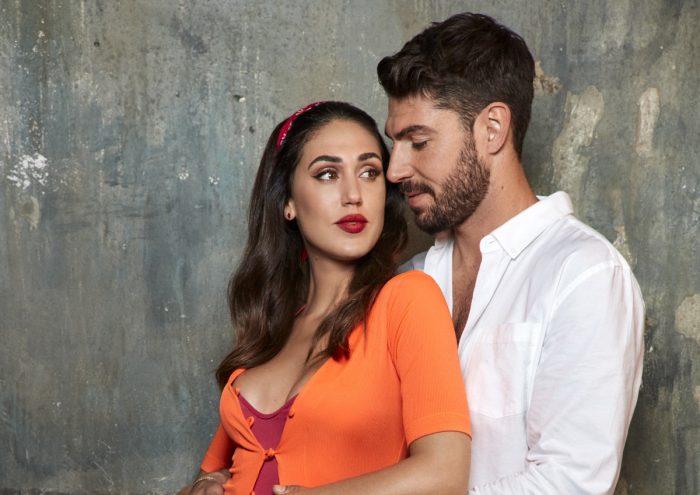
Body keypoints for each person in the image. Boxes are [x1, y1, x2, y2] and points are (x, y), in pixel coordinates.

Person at [371, 12, 645, 495]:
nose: (395, 170)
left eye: (419, 141)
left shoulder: (583, 274)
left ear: (492, 128)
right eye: (396, 143)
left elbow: (571, 483)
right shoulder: (407, 279)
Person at [179, 101, 471, 495]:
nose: (354, 195)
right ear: (288, 202)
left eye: (369, 172)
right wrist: (205, 484)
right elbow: (207, 476)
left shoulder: (407, 301)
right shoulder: (272, 327)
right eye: (328, 174)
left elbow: (445, 475)